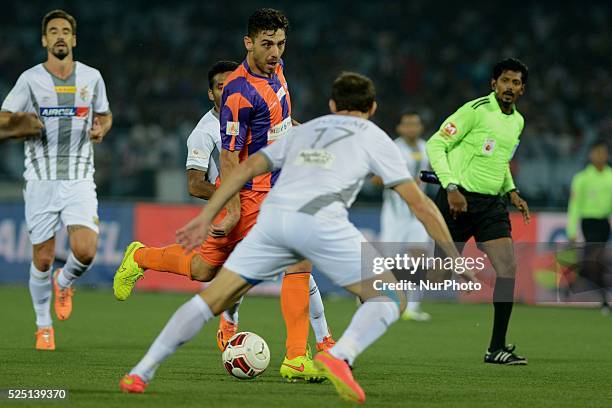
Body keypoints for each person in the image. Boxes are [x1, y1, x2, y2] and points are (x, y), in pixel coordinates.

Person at [118, 72, 472, 403]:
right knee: (392, 295)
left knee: (210, 297)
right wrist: (454, 257)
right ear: (373, 108)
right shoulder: (375, 137)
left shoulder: (302, 131)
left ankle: (140, 372)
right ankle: (338, 354)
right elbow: (421, 205)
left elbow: (246, 168)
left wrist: (209, 215)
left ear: (332, 105)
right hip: (321, 220)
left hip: (274, 219)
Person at [114, 9, 333, 383]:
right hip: (251, 193)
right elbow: (230, 158)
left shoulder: (276, 70)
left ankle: (142, 256)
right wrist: (230, 208)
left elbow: (278, 123)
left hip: (276, 186)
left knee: (205, 270)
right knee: (293, 260)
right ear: (248, 43)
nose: (276, 52)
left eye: (280, 43)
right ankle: (299, 355)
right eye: (267, 44)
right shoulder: (238, 93)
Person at [184, 59, 335, 351]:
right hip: (240, 207)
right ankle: (229, 320)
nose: (227, 90)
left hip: (274, 194)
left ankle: (323, 339)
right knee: (231, 270)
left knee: (298, 263)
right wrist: (230, 198)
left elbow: (284, 124)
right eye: (220, 87)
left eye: (231, 84)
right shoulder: (205, 132)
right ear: (210, 93)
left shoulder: (252, 104)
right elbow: (194, 183)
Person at [0, 9, 112, 351]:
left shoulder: (92, 78)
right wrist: (22, 125)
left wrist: (100, 129)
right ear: (45, 40)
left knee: (86, 250)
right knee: (43, 258)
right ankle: (43, 325)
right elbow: (3, 119)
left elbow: (105, 116)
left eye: (66, 30)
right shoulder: (30, 79)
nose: (60, 35)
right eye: (54, 31)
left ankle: (65, 281)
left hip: (78, 178)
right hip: (41, 180)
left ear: (74, 39)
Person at [426, 58, 530, 365]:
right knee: (437, 276)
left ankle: (496, 347)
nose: (509, 87)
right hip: (457, 201)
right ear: (493, 84)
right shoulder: (475, 111)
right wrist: (451, 187)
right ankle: (385, 280)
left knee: (508, 268)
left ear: (522, 88)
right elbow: (435, 145)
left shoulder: (517, 122)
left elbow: (500, 161)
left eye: (516, 83)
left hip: (490, 205)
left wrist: (511, 190)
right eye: (505, 81)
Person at [375, 111, 432, 321]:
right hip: (394, 214)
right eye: (407, 124)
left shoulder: (428, 148)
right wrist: (401, 181)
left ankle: (412, 307)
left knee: (419, 257)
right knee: (389, 261)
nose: (411, 128)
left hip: (417, 214)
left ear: (420, 127)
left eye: (415, 124)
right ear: (400, 128)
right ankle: (378, 299)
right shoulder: (392, 148)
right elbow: (375, 179)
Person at [566, 139, 612, 313]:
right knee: (596, 259)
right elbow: (574, 206)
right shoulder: (582, 178)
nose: (600, 156)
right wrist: (571, 229)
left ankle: (577, 280)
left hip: (603, 223)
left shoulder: (610, 177)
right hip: (588, 223)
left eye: (603, 152)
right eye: (597, 152)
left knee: (594, 261)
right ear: (591, 155)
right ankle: (604, 299)